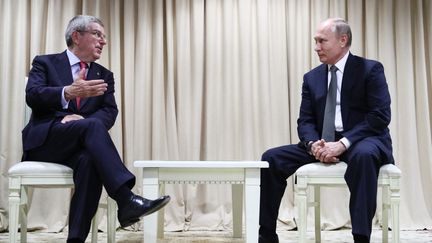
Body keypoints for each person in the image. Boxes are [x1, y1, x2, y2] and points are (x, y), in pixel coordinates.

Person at [22, 15, 170, 243]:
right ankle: (125, 199)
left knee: (91, 161)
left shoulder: (104, 75)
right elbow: (33, 95)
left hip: (80, 144)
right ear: (76, 36)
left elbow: (110, 112)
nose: (104, 41)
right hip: (46, 141)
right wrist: (68, 92)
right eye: (97, 34)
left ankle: (76, 240)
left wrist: (80, 120)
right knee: (90, 126)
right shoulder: (45, 62)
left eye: (104, 36)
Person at [258, 18, 394, 243]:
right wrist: (314, 145)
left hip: (363, 140)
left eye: (322, 41)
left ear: (343, 40)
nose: (316, 47)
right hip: (324, 142)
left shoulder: (370, 70)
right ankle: (267, 236)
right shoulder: (311, 78)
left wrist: (342, 144)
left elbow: (379, 116)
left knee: (364, 156)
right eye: (315, 41)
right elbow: (305, 121)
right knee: (271, 158)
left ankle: (361, 238)